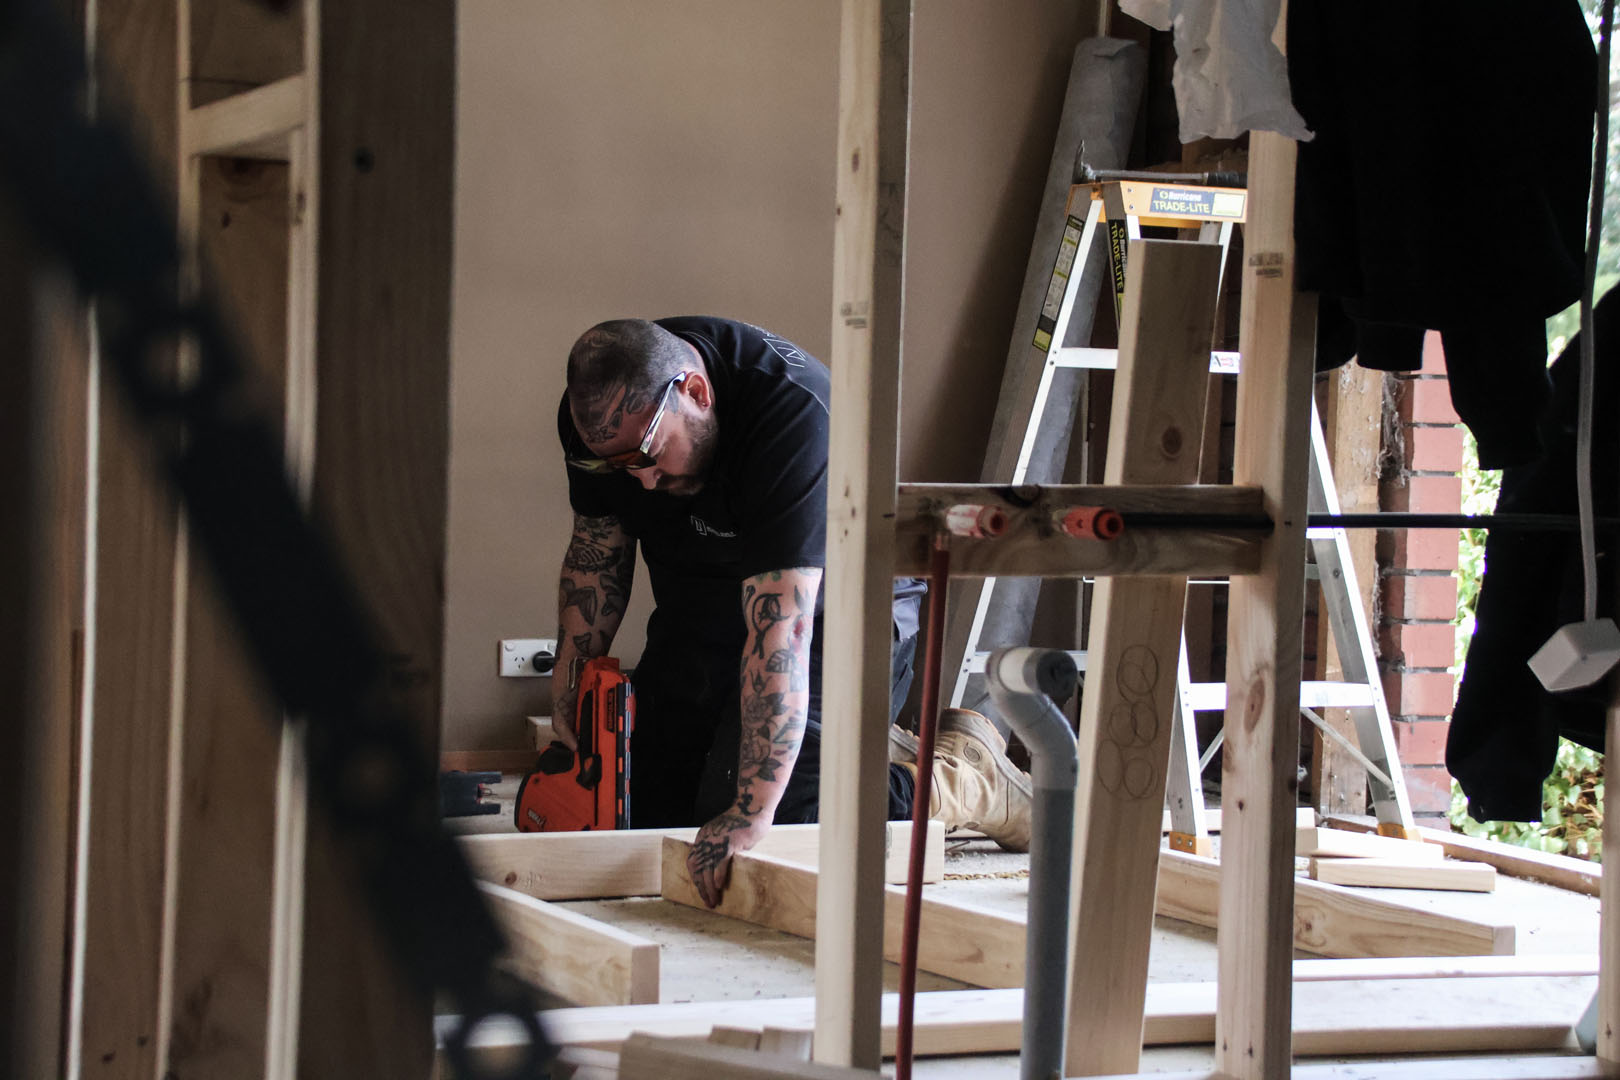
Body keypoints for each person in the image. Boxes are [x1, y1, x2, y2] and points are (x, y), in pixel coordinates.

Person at [549, 316, 1032, 906]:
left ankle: (961, 778)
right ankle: (844, 749)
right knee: (649, 814)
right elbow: (596, 556)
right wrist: (571, 686)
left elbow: (782, 632)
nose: (643, 480)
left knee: (778, 824)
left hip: (838, 617)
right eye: (621, 465)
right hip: (705, 609)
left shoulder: (797, 422)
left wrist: (751, 814)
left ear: (696, 393)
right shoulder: (603, 417)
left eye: (649, 455)